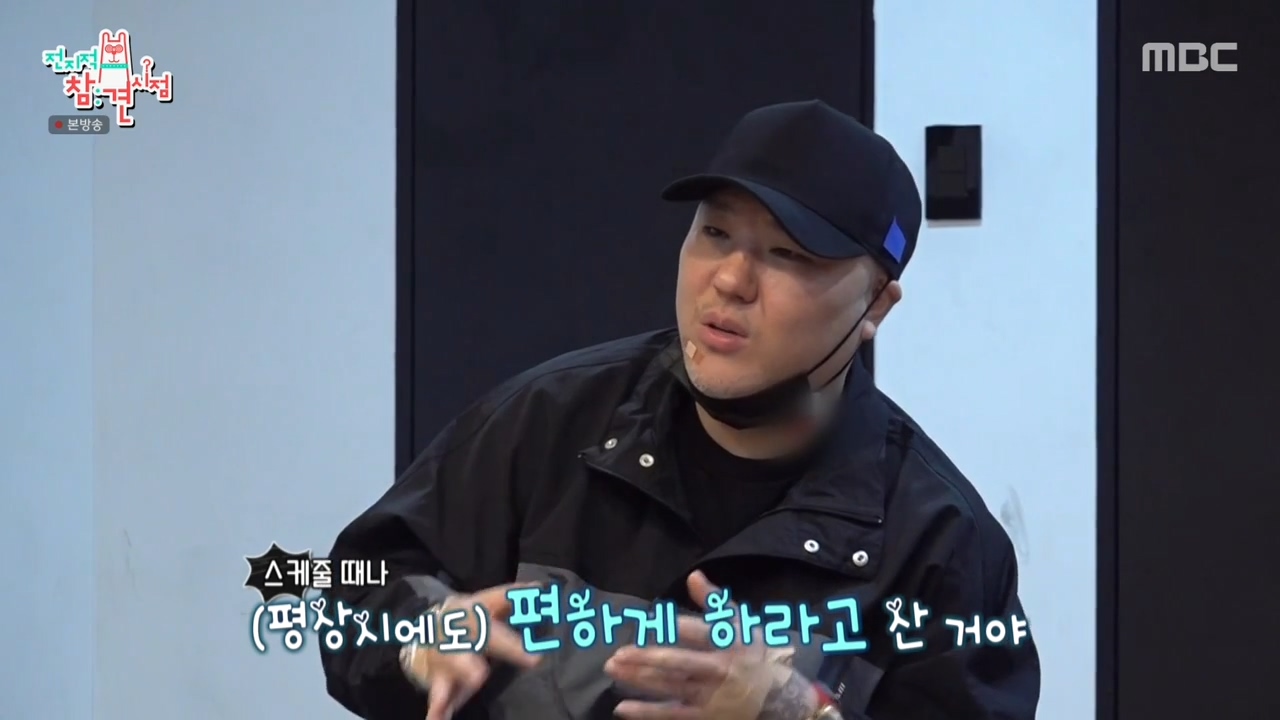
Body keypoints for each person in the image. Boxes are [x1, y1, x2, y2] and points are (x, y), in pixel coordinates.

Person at [319, 100, 1041, 720]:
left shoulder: (940, 543)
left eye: (788, 254)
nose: (730, 280)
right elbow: (341, 586)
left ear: (876, 305)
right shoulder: (544, 424)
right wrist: (414, 634)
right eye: (716, 234)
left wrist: (801, 712)